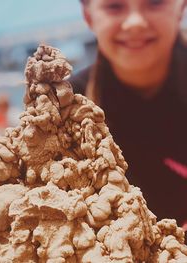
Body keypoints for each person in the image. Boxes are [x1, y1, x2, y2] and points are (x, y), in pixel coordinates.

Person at [70, 0, 187, 227]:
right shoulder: (65, 106)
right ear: (88, 16)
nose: (135, 22)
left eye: (155, 3)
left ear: (181, 7)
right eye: (114, 6)